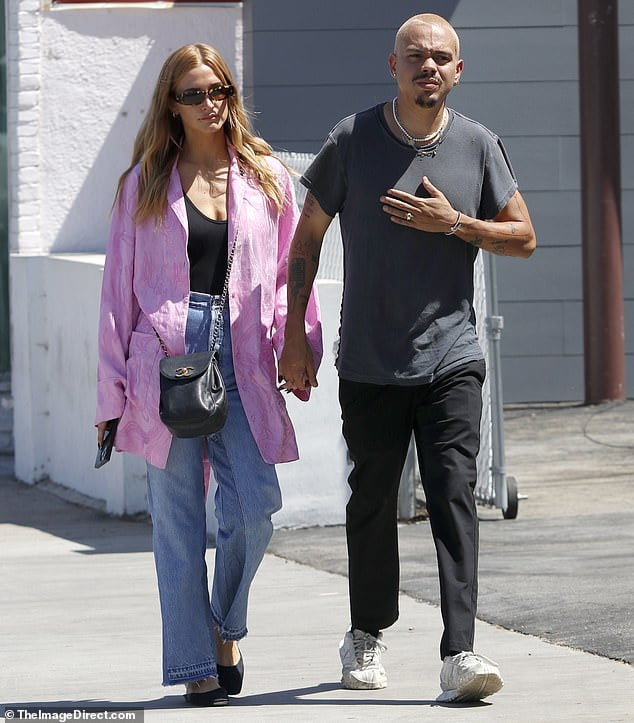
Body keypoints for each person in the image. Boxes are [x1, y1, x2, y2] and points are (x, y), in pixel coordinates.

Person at [280, 13, 535, 703]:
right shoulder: (352, 139)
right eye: (416, 56)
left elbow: (523, 237)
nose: (429, 66)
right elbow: (305, 241)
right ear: (392, 65)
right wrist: (293, 335)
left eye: (442, 57)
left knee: (453, 496)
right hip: (369, 357)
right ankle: (366, 634)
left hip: (453, 355)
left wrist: (455, 223)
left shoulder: (479, 145)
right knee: (370, 503)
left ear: (458, 71)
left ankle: (460, 651)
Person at [95, 43, 321, 707]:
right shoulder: (141, 183)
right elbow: (116, 294)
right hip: (164, 351)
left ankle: (226, 625)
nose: (210, 103)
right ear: (171, 103)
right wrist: (111, 395)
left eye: (218, 89)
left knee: (256, 507)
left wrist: (298, 344)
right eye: (195, 94)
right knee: (177, 520)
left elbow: (283, 278)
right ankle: (196, 663)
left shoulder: (265, 174)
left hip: (243, 344)